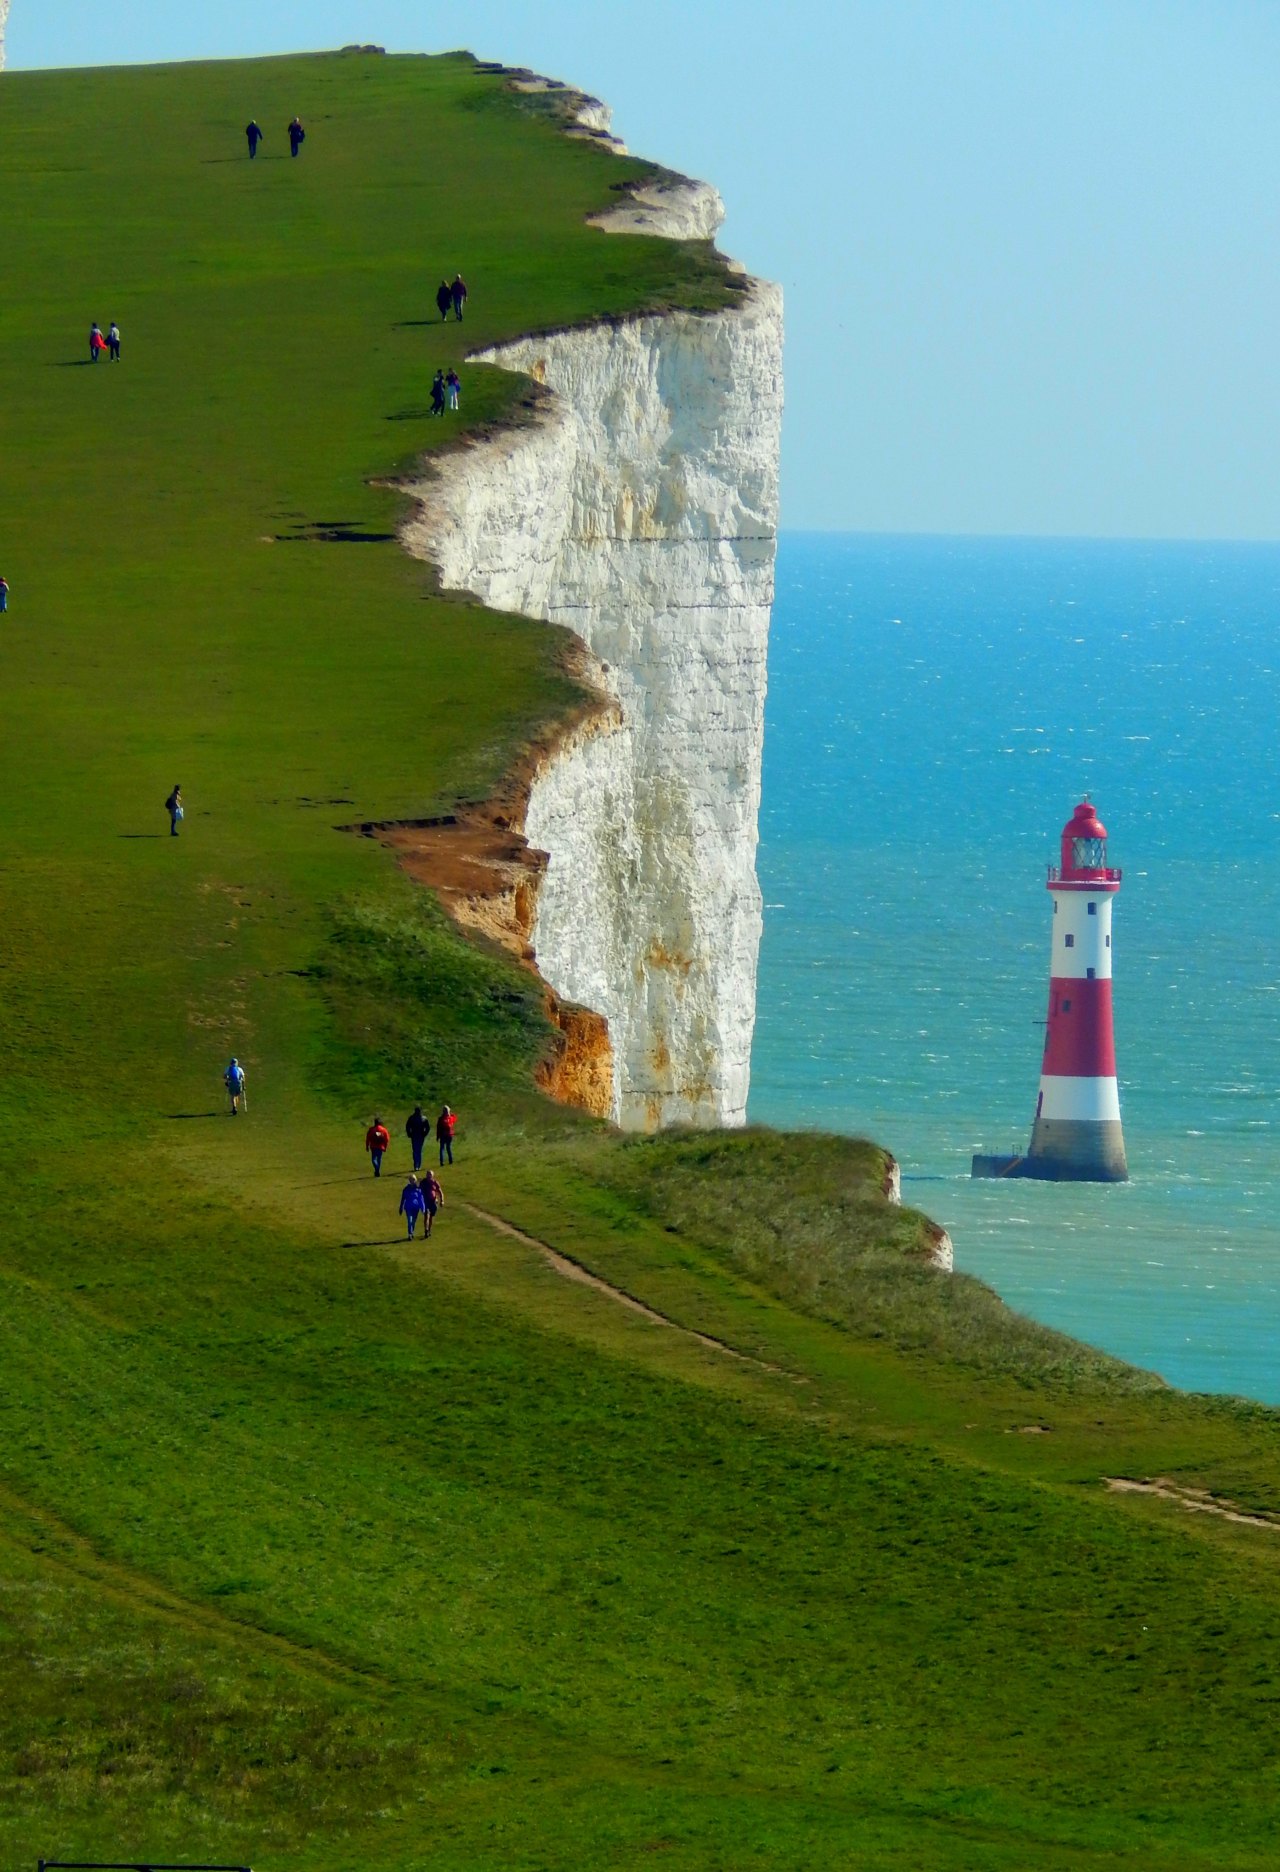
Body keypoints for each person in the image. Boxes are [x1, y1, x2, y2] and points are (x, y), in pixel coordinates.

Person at [398, 1174, 427, 1240]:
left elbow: (421, 1199)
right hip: (408, 1207)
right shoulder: (406, 1189)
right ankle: (410, 1234)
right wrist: (401, 1207)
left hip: (416, 1208)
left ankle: (412, 1232)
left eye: (414, 1179)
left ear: (415, 1180)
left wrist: (423, 1208)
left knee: (413, 1221)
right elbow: (403, 1199)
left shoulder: (418, 1189)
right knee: (409, 1220)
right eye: (411, 1179)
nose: (412, 1181)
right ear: (409, 1180)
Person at [405, 1104, 429, 1172]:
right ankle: (418, 1165)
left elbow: (407, 1126)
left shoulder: (412, 1118)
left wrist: (409, 1133)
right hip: (419, 1136)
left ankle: (417, 1165)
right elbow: (427, 1127)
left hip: (416, 1136)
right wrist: (424, 1133)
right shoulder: (423, 1118)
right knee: (418, 1151)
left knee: (416, 1151)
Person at [421, 1168, 444, 1237]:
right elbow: (419, 1191)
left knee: (431, 1216)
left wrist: (442, 1200)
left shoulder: (435, 1182)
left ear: (432, 1175)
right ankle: (426, 1230)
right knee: (426, 1215)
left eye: (430, 1174)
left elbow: (440, 1192)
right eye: (427, 1174)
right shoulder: (423, 1182)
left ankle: (429, 1230)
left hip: (433, 1201)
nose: (428, 1176)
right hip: (425, 1201)